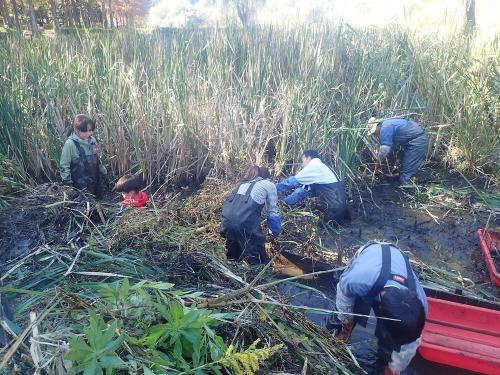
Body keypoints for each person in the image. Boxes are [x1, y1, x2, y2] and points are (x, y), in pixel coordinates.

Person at [335, 241, 427, 375]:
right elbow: (343, 292)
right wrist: (346, 320)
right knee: (348, 314)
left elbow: (410, 343)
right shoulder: (359, 279)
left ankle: (384, 355)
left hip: (394, 267)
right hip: (372, 255)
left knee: (390, 344)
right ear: (381, 312)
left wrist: (394, 367)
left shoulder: (419, 306)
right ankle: (338, 336)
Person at [220, 166, 281, 265]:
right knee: (258, 261)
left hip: (226, 224)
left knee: (233, 259)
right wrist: (274, 232)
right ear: (268, 177)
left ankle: (232, 277)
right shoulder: (268, 184)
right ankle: (261, 277)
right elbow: (272, 212)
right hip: (244, 224)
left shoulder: (242, 184)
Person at [275, 150, 348, 223]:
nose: (302, 164)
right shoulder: (323, 167)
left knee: (320, 226)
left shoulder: (314, 166)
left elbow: (290, 182)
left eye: (303, 160)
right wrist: (284, 203)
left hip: (333, 212)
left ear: (307, 157)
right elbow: (301, 192)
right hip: (341, 210)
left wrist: (271, 188)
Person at [368, 117, 428, 185]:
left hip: (417, 142)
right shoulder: (388, 124)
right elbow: (391, 147)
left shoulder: (385, 128)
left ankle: (407, 189)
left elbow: (385, 149)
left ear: (377, 126)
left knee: (406, 174)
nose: (375, 135)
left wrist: (378, 162)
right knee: (404, 167)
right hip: (414, 140)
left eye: (374, 132)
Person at [60, 114, 107, 197]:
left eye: (90, 130)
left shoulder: (93, 141)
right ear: (76, 129)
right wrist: (68, 184)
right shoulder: (70, 144)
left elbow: (97, 159)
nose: (88, 133)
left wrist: (103, 172)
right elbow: (64, 166)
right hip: (79, 186)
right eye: (85, 131)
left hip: (94, 181)